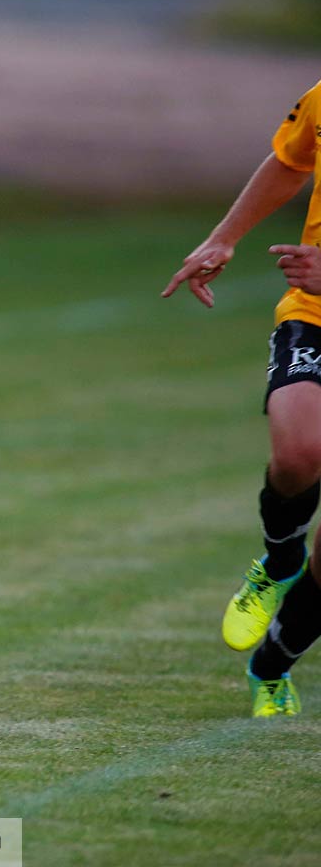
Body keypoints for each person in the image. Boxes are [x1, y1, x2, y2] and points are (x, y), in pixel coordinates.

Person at [163, 80, 321, 716]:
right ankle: (280, 555)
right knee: (297, 452)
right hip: (315, 313)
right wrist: (224, 236)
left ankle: (273, 664)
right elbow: (290, 161)